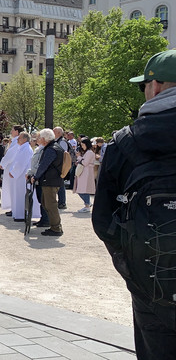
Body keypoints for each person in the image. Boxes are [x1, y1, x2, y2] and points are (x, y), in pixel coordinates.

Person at [93, 49, 176, 359]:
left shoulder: (125, 141)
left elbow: (103, 220)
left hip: (151, 279)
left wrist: (134, 270)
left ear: (154, 87)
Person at [31, 129, 64, 237]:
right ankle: (54, 226)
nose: (38, 140)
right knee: (47, 204)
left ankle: (56, 228)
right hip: (50, 180)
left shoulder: (51, 149)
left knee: (51, 205)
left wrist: (36, 176)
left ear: (45, 139)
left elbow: (44, 165)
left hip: (50, 181)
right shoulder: (53, 147)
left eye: (39, 137)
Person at [8, 132, 35, 222]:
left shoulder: (26, 149)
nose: (18, 140)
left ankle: (21, 215)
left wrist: (13, 172)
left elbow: (20, 163)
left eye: (19, 138)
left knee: (20, 195)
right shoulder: (23, 148)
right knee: (18, 194)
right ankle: (18, 214)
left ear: (24, 139)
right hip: (20, 175)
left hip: (21, 175)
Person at [0, 125, 22, 213]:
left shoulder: (16, 141)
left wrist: (2, 164)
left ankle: (13, 208)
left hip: (11, 167)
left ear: (16, 131)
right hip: (11, 166)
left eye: (12, 130)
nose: (11, 132)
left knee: (11, 188)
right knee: (10, 188)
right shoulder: (15, 141)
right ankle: (12, 207)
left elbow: (10, 155)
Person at [73, 137, 96, 212]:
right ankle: (87, 203)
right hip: (84, 172)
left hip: (86, 172)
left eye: (83, 145)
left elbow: (85, 163)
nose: (82, 146)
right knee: (82, 189)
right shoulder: (88, 152)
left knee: (83, 189)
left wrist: (79, 157)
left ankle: (87, 204)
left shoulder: (89, 152)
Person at [52, 127, 69, 209]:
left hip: (60, 166)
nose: (52, 133)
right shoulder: (57, 141)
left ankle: (62, 202)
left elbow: (63, 155)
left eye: (54, 131)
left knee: (60, 184)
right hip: (57, 166)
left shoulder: (62, 141)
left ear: (58, 133)